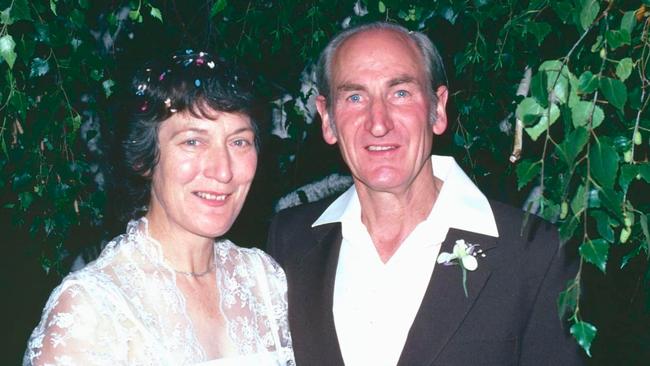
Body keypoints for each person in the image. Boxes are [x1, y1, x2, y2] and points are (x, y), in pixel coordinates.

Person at [267, 22, 583, 366]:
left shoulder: (535, 252)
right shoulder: (289, 241)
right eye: (355, 97)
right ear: (327, 119)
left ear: (438, 109)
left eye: (400, 93)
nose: (378, 122)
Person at [24, 50, 295, 366]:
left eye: (239, 142)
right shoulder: (94, 307)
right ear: (144, 158)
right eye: (193, 142)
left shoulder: (263, 280)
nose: (223, 171)